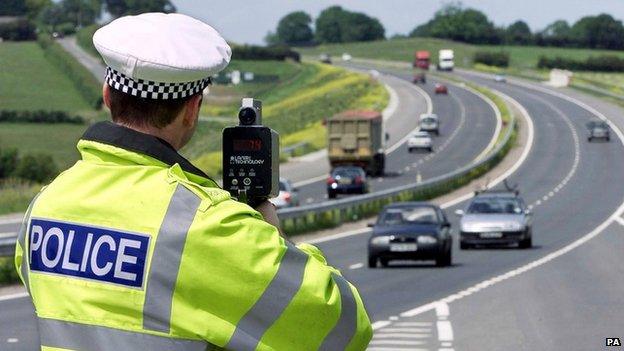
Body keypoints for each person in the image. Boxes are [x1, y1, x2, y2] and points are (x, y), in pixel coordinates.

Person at [14, 12, 372, 350]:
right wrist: (274, 240)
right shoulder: (205, 226)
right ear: (192, 109)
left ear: (108, 95)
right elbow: (345, 329)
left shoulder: (44, 207)